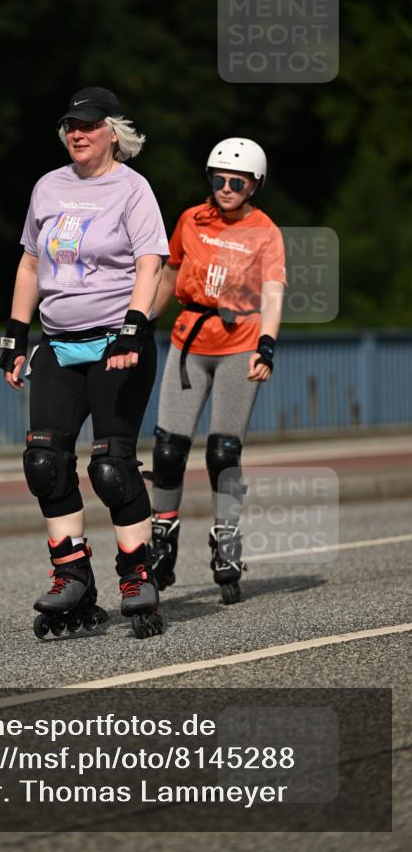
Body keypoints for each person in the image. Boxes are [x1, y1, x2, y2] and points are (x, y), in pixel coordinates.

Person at [0, 87, 169, 639]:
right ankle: (72, 575)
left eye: (90, 125)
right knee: (43, 461)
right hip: (59, 342)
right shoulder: (48, 187)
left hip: (117, 344)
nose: (78, 132)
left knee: (112, 468)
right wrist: (15, 335)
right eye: (71, 124)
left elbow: (151, 263)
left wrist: (134, 327)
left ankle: (137, 573)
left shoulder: (132, 189)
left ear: (112, 133)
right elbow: (29, 263)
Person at [146, 137, 286, 603]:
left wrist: (266, 345)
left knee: (222, 453)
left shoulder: (265, 231)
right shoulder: (191, 219)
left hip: (238, 345)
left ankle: (226, 540)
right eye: (218, 179)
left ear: (254, 185)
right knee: (167, 451)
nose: (225, 188)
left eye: (236, 181)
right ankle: (162, 537)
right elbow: (168, 274)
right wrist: (142, 322)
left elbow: (272, 291)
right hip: (188, 344)